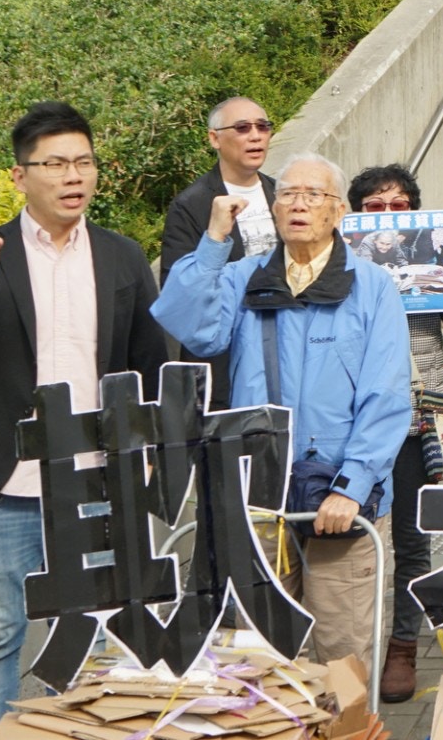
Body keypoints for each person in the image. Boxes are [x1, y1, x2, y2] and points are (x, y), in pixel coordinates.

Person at [0, 102, 167, 740]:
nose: (72, 176)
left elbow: (146, 362)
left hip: (94, 485)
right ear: (19, 177)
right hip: (2, 486)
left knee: (95, 636)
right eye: (55, 163)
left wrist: (145, 459)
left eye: (83, 162)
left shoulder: (121, 257)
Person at [155, 152, 409, 667]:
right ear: (272, 210)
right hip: (257, 492)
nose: (298, 204)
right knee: (258, 652)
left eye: (313, 195)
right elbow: (188, 324)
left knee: (343, 655)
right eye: (288, 194)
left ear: (338, 212)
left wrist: (353, 486)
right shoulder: (243, 276)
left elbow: (386, 395)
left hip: (338, 497)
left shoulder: (373, 286)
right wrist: (213, 244)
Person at [339, 164, 443, 701]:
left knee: (411, 539)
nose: (388, 217)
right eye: (375, 208)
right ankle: (345, 652)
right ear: (355, 215)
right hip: (347, 422)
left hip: (413, 419)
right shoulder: (335, 266)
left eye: (399, 206)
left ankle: (403, 647)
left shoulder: (429, 254)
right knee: (346, 540)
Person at [161, 96, 279, 408]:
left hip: (283, 360)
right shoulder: (191, 205)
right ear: (215, 138)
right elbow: (177, 295)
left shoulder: (284, 195)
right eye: (242, 128)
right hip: (222, 371)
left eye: (262, 127)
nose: (255, 135)